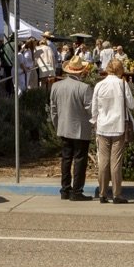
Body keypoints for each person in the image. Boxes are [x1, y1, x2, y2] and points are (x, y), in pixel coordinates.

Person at [89, 58, 134, 204]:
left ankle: (102, 192)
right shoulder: (122, 84)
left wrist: (95, 120)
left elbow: (94, 108)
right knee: (116, 162)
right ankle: (117, 194)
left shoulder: (99, 85)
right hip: (118, 126)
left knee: (103, 161)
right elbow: (132, 104)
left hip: (103, 126)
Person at [48, 57, 95, 201]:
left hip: (63, 127)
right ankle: (77, 191)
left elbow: (53, 110)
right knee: (80, 159)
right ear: (81, 72)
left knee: (66, 159)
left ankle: (65, 189)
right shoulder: (84, 88)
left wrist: (57, 125)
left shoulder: (56, 86)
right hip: (80, 129)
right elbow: (91, 109)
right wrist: (94, 124)